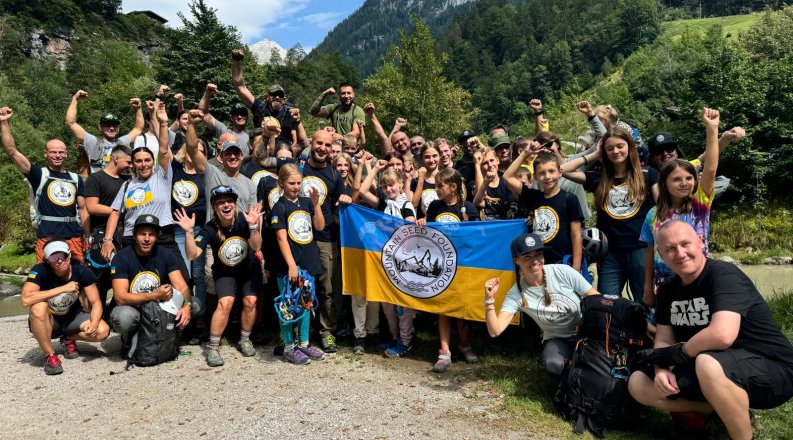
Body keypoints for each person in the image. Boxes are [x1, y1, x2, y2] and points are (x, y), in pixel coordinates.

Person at [627, 220, 793, 440]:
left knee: (707, 363)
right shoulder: (667, 290)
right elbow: (664, 339)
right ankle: (717, 409)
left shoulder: (724, 276)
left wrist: (679, 353)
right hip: (710, 370)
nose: (680, 253)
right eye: (670, 249)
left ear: (700, 241)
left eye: (685, 244)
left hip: (771, 368)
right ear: (661, 255)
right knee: (638, 384)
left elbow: (722, 335)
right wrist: (661, 369)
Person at [561, 127, 659, 300]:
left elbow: (663, 205)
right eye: (610, 148)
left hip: (642, 249)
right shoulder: (599, 178)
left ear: (629, 146)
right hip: (610, 253)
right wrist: (593, 154)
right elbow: (563, 170)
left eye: (620, 146)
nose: (615, 151)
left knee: (644, 303)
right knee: (606, 304)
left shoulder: (648, 174)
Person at [484, 233, 599, 376]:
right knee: (554, 365)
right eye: (527, 257)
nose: (535, 261)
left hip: (586, 333)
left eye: (538, 254)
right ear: (516, 260)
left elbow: (596, 298)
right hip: (557, 340)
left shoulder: (563, 272)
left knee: (597, 362)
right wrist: (489, 300)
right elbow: (495, 330)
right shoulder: (516, 294)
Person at [641, 108, 723, 307]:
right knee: (669, 332)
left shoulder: (699, 206)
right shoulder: (653, 214)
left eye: (688, 178)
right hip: (664, 284)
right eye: (676, 179)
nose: (684, 183)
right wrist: (647, 289)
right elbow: (651, 254)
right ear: (664, 184)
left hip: (698, 278)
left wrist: (712, 129)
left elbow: (710, 169)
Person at [100, 103, 189, 284]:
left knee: (183, 282)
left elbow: (164, 150)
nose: (144, 164)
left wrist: (163, 123)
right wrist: (108, 240)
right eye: (138, 161)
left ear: (153, 161)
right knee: (137, 284)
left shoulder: (162, 177)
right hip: (133, 238)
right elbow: (115, 212)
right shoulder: (127, 186)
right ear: (132, 164)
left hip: (163, 236)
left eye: (147, 160)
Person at [174, 186, 263, 367]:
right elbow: (192, 255)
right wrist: (188, 233)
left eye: (229, 201)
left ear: (235, 204)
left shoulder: (244, 220)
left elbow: (256, 246)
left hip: (248, 268)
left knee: (250, 301)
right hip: (225, 271)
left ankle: (245, 339)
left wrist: (254, 226)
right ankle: (213, 347)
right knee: (225, 303)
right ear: (215, 207)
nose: (226, 205)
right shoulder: (209, 228)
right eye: (220, 202)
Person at [0, 107, 90, 263]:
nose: (57, 155)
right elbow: (11, 151)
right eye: (53, 152)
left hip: (74, 235)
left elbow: (83, 209)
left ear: (66, 154)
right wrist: (4, 122)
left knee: (79, 276)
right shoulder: (38, 174)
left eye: (61, 152)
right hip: (47, 235)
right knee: (44, 278)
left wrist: (88, 236)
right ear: (46, 154)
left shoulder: (76, 179)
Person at [416, 168, 480, 373]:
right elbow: (428, 230)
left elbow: (478, 237)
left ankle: (464, 344)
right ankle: (444, 351)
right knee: (443, 308)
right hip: (440, 267)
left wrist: (471, 228)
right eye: (435, 185)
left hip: (462, 266)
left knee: (461, 307)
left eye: (439, 186)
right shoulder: (435, 206)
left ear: (453, 187)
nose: (436, 190)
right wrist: (423, 222)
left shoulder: (468, 208)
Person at [356, 161, 417, 357]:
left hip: (404, 261)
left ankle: (406, 342)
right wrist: (373, 168)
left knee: (403, 306)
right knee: (387, 305)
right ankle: (394, 337)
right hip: (386, 261)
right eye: (385, 186)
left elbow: (410, 228)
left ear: (400, 183)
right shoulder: (384, 204)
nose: (389, 189)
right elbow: (362, 190)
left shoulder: (406, 205)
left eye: (392, 184)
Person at [22, 240, 110, 375]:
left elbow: (96, 302)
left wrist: (93, 323)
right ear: (47, 260)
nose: (59, 261)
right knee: (38, 307)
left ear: (69, 255)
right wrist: (63, 288)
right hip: (51, 322)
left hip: (73, 318)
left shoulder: (81, 270)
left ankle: (69, 338)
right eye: (53, 257)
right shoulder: (39, 270)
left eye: (62, 255)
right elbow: (26, 300)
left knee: (103, 331)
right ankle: (49, 356)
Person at [109, 215, 192, 358]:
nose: (146, 239)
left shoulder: (166, 254)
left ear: (157, 236)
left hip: (159, 307)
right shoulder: (121, 257)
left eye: (151, 234)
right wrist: (154, 295)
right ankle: (128, 340)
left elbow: (182, 286)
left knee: (194, 304)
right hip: (133, 307)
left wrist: (187, 305)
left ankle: (169, 337)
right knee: (124, 317)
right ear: (134, 235)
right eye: (142, 234)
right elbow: (120, 297)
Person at [300, 130, 353, 352]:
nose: (322, 148)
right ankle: (296, 332)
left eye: (327, 145)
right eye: (319, 143)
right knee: (299, 286)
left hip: (326, 238)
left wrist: (346, 197)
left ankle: (327, 332)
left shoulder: (334, 175)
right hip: (299, 237)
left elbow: (344, 199)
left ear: (332, 149)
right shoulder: (299, 168)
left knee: (329, 288)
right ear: (311, 143)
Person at [269, 164, 326, 364]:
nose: (296, 187)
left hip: (308, 260)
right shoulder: (279, 207)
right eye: (291, 183)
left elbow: (319, 226)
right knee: (287, 305)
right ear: (282, 183)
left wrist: (316, 203)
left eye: (298, 183)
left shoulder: (305, 202)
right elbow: (281, 239)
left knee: (306, 303)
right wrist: (291, 265)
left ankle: (304, 343)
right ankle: (288, 346)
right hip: (288, 266)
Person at [504, 150, 583, 271]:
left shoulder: (569, 199)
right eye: (541, 173)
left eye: (551, 171)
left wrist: (576, 268)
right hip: (537, 266)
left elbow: (576, 235)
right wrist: (526, 153)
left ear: (560, 172)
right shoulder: (533, 197)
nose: (547, 177)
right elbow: (507, 176)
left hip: (563, 264)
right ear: (535, 176)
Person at [184, 110, 257, 217]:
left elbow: (253, 216)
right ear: (221, 157)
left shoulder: (250, 184)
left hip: (240, 233)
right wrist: (191, 124)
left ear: (242, 156)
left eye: (236, 153)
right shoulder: (211, 174)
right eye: (228, 153)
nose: (232, 157)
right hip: (215, 233)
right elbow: (193, 150)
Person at [84, 145, 132, 306]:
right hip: (101, 234)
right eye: (128, 162)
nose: (131, 166)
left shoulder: (128, 181)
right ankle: (95, 316)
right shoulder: (96, 178)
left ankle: (111, 314)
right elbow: (92, 206)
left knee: (122, 277)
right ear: (116, 158)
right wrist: (119, 211)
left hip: (123, 235)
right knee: (100, 279)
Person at [230, 49, 301, 146]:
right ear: (267, 97)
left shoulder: (290, 111)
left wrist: (297, 120)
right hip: (261, 150)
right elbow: (239, 86)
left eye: (280, 95)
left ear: (284, 98)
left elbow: (299, 139)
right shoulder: (260, 107)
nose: (277, 97)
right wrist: (236, 61)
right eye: (273, 94)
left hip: (282, 152)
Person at [64, 90, 144, 173]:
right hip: (99, 184)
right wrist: (75, 99)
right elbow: (70, 122)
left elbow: (138, 129)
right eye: (107, 125)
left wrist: (138, 109)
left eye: (115, 125)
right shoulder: (92, 141)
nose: (112, 128)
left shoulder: (122, 142)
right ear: (100, 127)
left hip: (120, 183)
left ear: (119, 128)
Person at [198, 83, 252, 157]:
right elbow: (203, 113)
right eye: (236, 114)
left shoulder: (252, 136)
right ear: (231, 118)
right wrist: (207, 95)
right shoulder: (224, 131)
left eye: (243, 114)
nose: (239, 116)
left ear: (247, 117)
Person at [472, 147, 516, 221]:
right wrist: (476, 164)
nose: (490, 165)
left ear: (497, 160)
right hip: (487, 227)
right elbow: (478, 198)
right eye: (485, 163)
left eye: (492, 160)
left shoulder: (507, 181)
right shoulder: (475, 183)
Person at [411, 143, 442, 218]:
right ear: (422, 158)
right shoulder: (416, 180)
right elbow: (414, 204)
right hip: (423, 227)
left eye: (434, 156)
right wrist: (421, 179)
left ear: (440, 156)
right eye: (427, 157)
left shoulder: (447, 177)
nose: (431, 160)